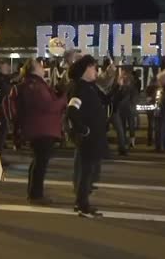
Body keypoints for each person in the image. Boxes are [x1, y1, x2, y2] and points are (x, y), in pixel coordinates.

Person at [18, 58, 67, 205]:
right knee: (40, 163)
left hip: (40, 127)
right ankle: (36, 195)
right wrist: (64, 100)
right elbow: (48, 106)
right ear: (33, 69)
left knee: (38, 162)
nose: (42, 67)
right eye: (39, 65)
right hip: (42, 129)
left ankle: (34, 192)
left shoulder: (35, 84)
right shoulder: (34, 85)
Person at [67, 55, 106, 218]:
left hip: (94, 137)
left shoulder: (90, 87)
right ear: (85, 70)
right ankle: (82, 205)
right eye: (92, 67)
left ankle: (81, 202)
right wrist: (83, 130)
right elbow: (72, 111)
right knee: (86, 172)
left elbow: (107, 100)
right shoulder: (80, 88)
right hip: (88, 139)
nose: (95, 70)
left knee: (88, 172)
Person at [145, 77, 159, 146]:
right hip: (156, 108)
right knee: (156, 125)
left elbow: (147, 98)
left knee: (150, 124)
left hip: (150, 108)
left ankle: (149, 140)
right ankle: (155, 140)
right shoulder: (158, 88)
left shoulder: (148, 88)